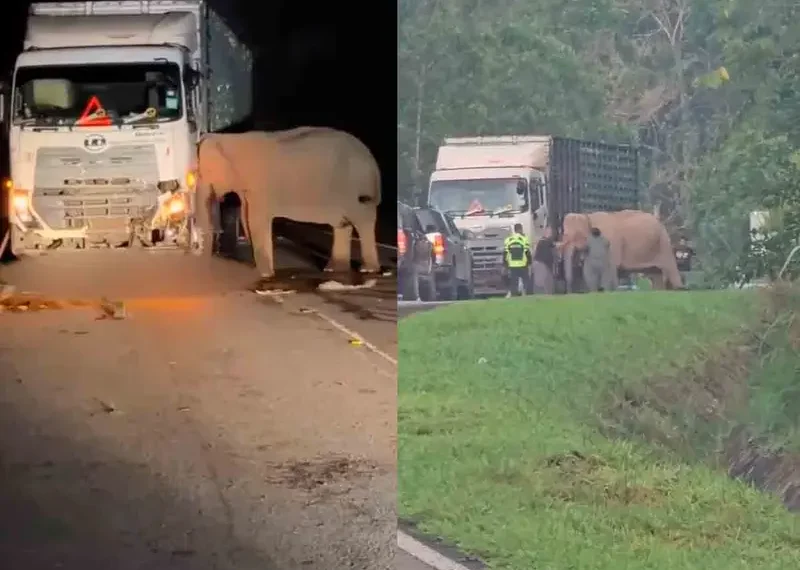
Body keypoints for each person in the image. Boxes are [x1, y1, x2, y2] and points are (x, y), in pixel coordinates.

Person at [503, 223, 532, 297]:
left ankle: (514, 296)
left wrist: (505, 265)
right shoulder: (524, 239)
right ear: (521, 229)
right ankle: (526, 295)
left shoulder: (508, 240)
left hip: (512, 265)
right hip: (523, 264)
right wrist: (529, 263)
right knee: (526, 281)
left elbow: (505, 253)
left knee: (514, 283)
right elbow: (527, 253)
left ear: (514, 230)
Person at [583, 226, 613, 292]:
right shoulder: (604, 239)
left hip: (593, 261)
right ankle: (602, 288)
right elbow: (608, 245)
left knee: (593, 276)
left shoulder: (589, 240)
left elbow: (585, 249)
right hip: (602, 261)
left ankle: (595, 289)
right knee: (603, 276)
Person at [532, 227, 555, 294]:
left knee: (545, 280)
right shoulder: (545, 241)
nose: (550, 234)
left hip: (542, 263)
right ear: (545, 233)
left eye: (550, 232)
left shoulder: (542, 241)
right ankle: (544, 294)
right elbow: (554, 246)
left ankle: (546, 293)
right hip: (542, 263)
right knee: (543, 280)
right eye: (549, 232)